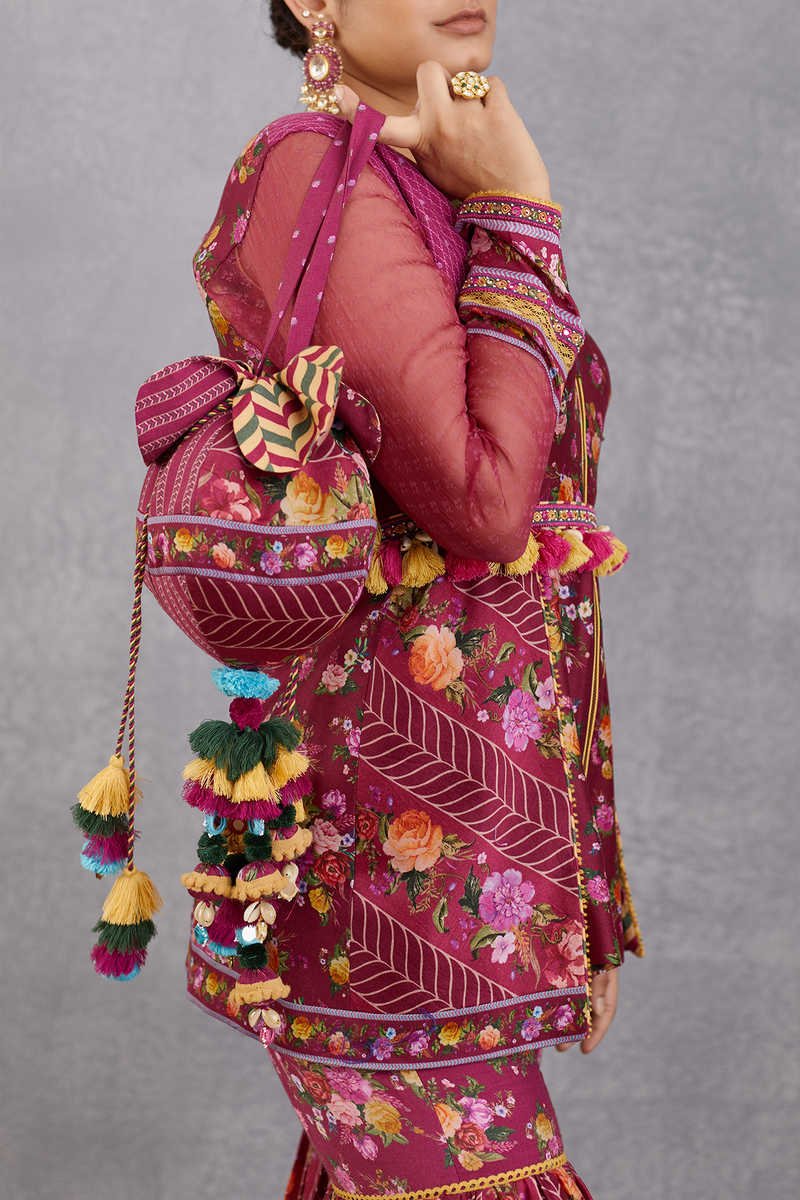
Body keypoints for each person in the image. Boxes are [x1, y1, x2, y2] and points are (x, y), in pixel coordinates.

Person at [186, 3, 643, 1197]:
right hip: (380, 878)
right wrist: (521, 206)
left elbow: (542, 569)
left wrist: (581, 887)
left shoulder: (422, 188)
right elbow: (484, 509)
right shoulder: (309, 172)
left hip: (481, 851)